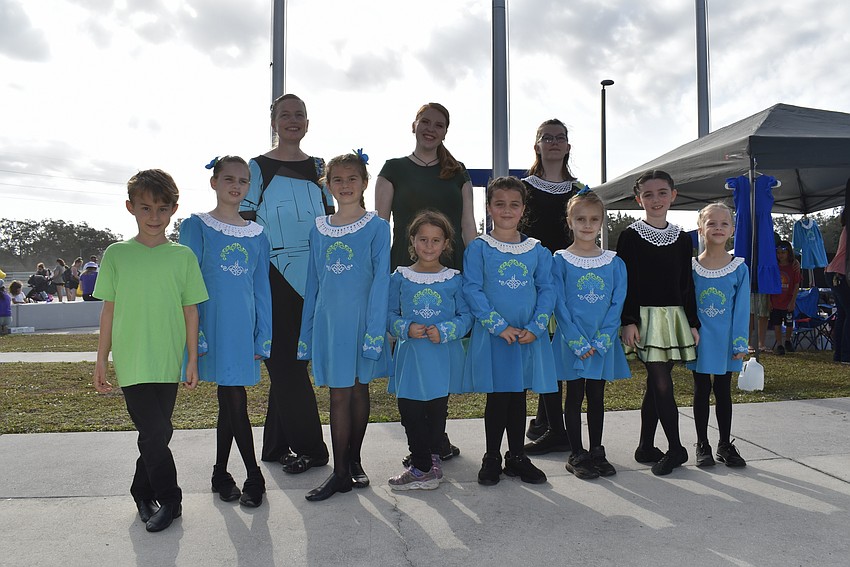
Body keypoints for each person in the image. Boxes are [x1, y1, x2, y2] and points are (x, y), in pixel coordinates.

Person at [92, 169, 208, 533]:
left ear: (174, 209)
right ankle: (171, 499)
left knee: (158, 433)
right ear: (130, 207)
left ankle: (141, 491)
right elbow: (108, 310)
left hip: (167, 357)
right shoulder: (116, 254)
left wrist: (192, 358)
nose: (154, 217)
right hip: (131, 358)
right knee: (154, 430)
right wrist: (101, 360)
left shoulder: (183, 256)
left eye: (161, 208)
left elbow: (192, 310)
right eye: (145, 208)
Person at [375, 101, 475, 461]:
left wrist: (476, 270)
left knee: (441, 355)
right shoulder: (393, 169)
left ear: (446, 131)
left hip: (450, 273)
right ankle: (420, 442)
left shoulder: (458, 173)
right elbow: (379, 222)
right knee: (413, 355)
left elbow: (467, 226)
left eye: (439, 124)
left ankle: (437, 438)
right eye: (426, 122)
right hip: (407, 267)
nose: (431, 129)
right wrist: (377, 272)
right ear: (414, 125)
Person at [239, 93, 332, 472]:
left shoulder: (320, 165)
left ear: (307, 123)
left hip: (314, 275)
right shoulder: (257, 166)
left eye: (300, 115)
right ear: (274, 122)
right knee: (285, 364)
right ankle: (313, 448)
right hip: (272, 274)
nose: (293, 120)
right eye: (285, 115)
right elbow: (245, 221)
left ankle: (276, 446)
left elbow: (330, 219)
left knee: (297, 362)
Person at [179, 156, 272, 508]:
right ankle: (249, 474)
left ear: (249, 187)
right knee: (230, 400)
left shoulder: (257, 233)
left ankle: (229, 473)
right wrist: (195, 334)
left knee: (232, 400)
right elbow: (187, 284)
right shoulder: (196, 226)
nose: (236, 185)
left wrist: (263, 334)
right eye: (229, 178)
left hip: (241, 329)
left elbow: (261, 288)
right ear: (214, 182)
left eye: (243, 180)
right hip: (209, 326)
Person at [298, 152, 390, 501]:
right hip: (330, 323)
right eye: (338, 179)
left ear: (365, 182)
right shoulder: (319, 229)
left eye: (353, 178)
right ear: (328, 185)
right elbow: (313, 284)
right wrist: (306, 334)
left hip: (363, 321)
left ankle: (353, 460)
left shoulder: (378, 227)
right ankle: (339, 474)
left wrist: (375, 330)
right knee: (338, 393)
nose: (346, 185)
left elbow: (381, 281)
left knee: (357, 390)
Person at [463, 176, 557, 486]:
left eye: (514, 204)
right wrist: (498, 325)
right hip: (496, 335)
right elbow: (473, 289)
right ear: (489, 207)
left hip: (526, 336)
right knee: (498, 397)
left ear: (523, 209)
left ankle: (517, 456)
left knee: (518, 396)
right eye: (499, 204)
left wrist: (537, 326)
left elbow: (547, 289)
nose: (506, 210)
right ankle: (491, 455)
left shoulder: (537, 250)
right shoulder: (479, 248)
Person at [617, 170, 699, 476]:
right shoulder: (630, 236)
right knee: (662, 382)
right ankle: (676, 447)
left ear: (673, 196)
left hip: (674, 318)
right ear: (639, 199)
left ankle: (645, 446)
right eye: (648, 194)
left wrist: (691, 322)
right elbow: (627, 282)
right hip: (645, 318)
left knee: (656, 383)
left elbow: (685, 283)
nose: (656, 200)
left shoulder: (682, 238)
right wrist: (629, 320)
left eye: (662, 193)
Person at [387, 211, 473, 490]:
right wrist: (405, 327)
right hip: (411, 356)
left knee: (436, 410)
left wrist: (446, 330)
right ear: (412, 240)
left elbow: (466, 317)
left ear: (446, 243)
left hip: (441, 357)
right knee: (410, 409)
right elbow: (387, 314)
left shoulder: (454, 279)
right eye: (423, 239)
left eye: (436, 240)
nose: (428, 245)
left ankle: (425, 466)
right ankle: (423, 459)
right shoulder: (400, 277)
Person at [551, 190, 630, 479]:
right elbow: (557, 302)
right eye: (580, 219)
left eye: (594, 219)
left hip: (601, 343)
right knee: (573, 396)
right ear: (570, 221)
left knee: (597, 396)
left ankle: (597, 449)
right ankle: (577, 453)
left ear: (601, 222)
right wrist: (576, 340)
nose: (587, 224)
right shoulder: (559, 260)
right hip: (573, 341)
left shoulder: (613, 262)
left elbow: (616, 302)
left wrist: (603, 338)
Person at [521, 118, 588, 453]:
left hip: (569, 280)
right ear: (537, 145)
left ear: (567, 145)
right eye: (546, 137)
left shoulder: (580, 192)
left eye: (559, 137)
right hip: (534, 280)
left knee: (559, 350)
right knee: (543, 352)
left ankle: (553, 425)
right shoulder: (523, 188)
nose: (553, 142)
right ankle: (550, 422)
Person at [687, 203, 749, 468]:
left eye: (724, 223)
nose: (718, 228)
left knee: (723, 390)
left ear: (732, 230)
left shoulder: (738, 268)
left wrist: (739, 342)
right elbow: (687, 304)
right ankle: (702, 444)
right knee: (701, 388)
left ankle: (725, 443)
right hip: (701, 339)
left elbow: (741, 308)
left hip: (725, 341)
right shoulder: (690, 268)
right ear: (701, 228)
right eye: (712, 223)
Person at [769, 240, 801, 355]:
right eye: (778, 253)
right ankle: (779, 345)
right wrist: (769, 301)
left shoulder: (793, 267)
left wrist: (793, 301)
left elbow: (797, 284)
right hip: (776, 301)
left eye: (783, 252)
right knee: (776, 324)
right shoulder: (774, 267)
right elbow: (770, 284)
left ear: (788, 253)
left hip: (788, 301)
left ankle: (787, 341)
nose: (780, 255)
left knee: (789, 323)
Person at [825, 207, 849, 364]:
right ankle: (846, 355)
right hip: (840, 274)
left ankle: (840, 354)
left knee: (843, 314)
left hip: (834, 272)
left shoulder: (846, 229)